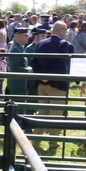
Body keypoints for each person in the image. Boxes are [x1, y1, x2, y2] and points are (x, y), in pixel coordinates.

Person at [29, 21, 74, 149]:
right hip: (57, 84)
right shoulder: (64, 44)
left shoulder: (41, 43)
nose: (66, 32)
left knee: (42, 112)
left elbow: (34, 62)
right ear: (59, 30)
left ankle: (35, 142)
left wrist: (42, 77)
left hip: (41, 84)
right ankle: (53, 143)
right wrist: (49, 77)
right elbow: (61, 64)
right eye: (65, 30)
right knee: (56, 114)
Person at [7, 27, 30, 99]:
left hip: (19, 82)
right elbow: (14, 68)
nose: (28, 37)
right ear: (20, 36)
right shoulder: (15, 49)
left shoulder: (19, 47)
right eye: (26, 35)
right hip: (17, 83)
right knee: (19, 107)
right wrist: (28, 70)